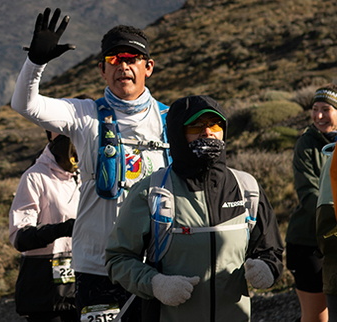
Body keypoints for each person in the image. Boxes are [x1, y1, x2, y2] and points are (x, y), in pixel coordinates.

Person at [11, 8, 168, 321]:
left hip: (155, 266)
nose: (123, 66)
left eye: (132, 58)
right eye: (114, 59)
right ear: (102, 70)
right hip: (97, 267)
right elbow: (25, 105)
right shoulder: (84, 115)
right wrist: (36, 63)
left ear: (148, 67)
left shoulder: (169, 120)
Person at [105, 95, 283, 321]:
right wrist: (155, 283)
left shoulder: (247, 189)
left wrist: (268, 268)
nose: (207, 132)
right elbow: (118, 259)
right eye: (196, 126)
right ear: (178, 134)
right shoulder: (151, 192)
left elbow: (271, 251)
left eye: (215, 125)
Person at [9, 132, 80, 321]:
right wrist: (63, 229)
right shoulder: (35, 177)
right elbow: (20, 237)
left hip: (85, 285)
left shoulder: (91, 176)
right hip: (45, 290)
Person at [288, 85, 337, 322]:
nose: (318, 116)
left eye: (326, 109)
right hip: (308, 242)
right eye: (315, 109)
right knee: (317, 317)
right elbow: (308, 194)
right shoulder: (306, 144)